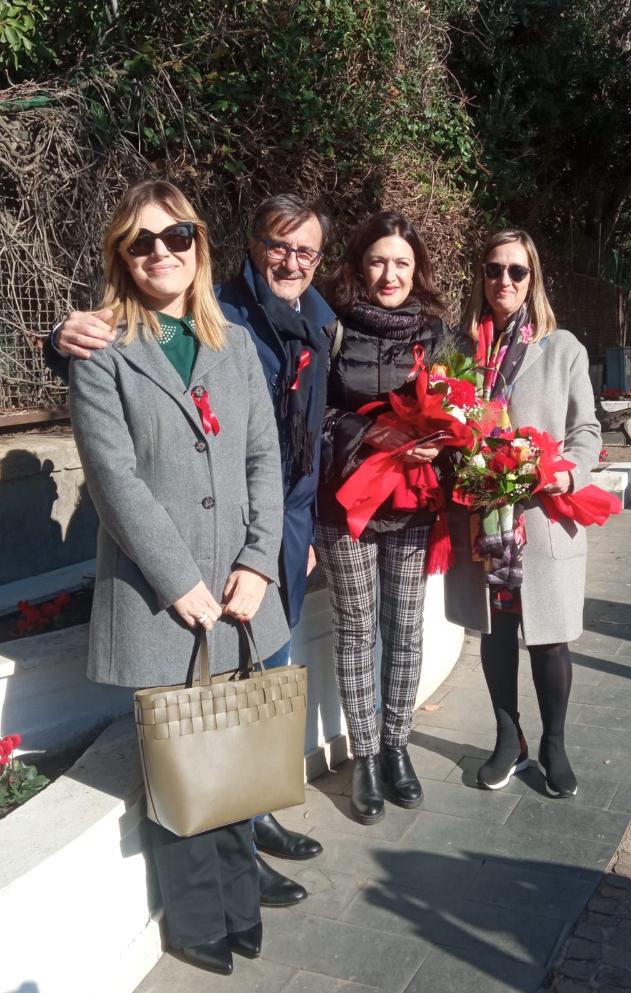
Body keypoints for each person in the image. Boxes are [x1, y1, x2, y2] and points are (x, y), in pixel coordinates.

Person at [46, 194, 331, 906]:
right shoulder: (105, 344)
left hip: (246, 571)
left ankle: (244, 868)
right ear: (121, 256)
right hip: (164, 588)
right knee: (188, 749)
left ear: (199, 244)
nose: (161, 251)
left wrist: (262, 557)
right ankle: (209, 905)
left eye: (176, 235)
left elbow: (269, 457)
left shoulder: (253, 331)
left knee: (243, 728)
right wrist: (177, 579)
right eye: (141, 243)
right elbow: (114, 479)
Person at [316, 210, 449, 825]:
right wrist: (371, 432)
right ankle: (363, 756)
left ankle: (398, 745)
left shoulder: (435, 332)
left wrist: (439, 440)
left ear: (416, 267)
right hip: (347, 501)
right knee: (356, 626)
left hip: (413, 498)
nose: (389, 273)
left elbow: (459, 411)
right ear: (359, 265)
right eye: (378, 261)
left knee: (406, 623)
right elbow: (307, 416)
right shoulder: (328, 324)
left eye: (401, 262)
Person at [461, 229, 600, 798]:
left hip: (542, 519)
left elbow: (586, 431)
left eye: (516, 271)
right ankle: (507, 737)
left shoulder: (562, 347)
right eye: (494, 270)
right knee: (494, 634)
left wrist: (569, 470)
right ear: (482, 276)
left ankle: (554, 743)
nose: (504, 282)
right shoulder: (463, 346)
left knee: (549, 639)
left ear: (533, 278)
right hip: (485, 519)